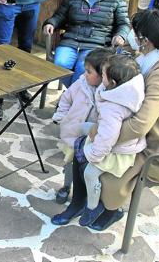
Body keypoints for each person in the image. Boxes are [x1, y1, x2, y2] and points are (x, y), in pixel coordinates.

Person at [52, 9, 159, 230]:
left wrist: (100, 135)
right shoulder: (150, 58)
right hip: (141, 137)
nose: (132, 38)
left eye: (135, 35)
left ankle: (107, 208)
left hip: (157, 149)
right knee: (81, 145)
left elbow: (139, 125)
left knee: (90, 153)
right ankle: (81, 203)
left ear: (146, 40)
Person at [43, 0, 130, 89]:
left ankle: (72, 99)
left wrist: (121, 35)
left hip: (97, 43)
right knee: (60, 63)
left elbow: (124, 23)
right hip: (71, 40)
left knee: (82, 68)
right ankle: (75, 97)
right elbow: (60, 15)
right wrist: (51, 23)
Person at [78, 54, 145, 226]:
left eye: (104, 74)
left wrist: (94, 155)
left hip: (117, 152)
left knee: (90, 173)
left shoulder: (113, 108)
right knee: (81, 128)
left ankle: (93, 207)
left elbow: (108, 137)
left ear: (113, 83)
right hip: (119, 143)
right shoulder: (128, 92)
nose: (101, 76)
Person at [52, 48, 113, 204]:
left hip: (92, 139)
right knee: (70, 162)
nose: (85, 74)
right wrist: (62, 115)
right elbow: (66, 99)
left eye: (89, 72)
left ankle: (84, 192)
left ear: (103, 75)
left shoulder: (108, 94)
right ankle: (66, 186)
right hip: (74, 133)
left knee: (86, 167)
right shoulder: (80, 84)